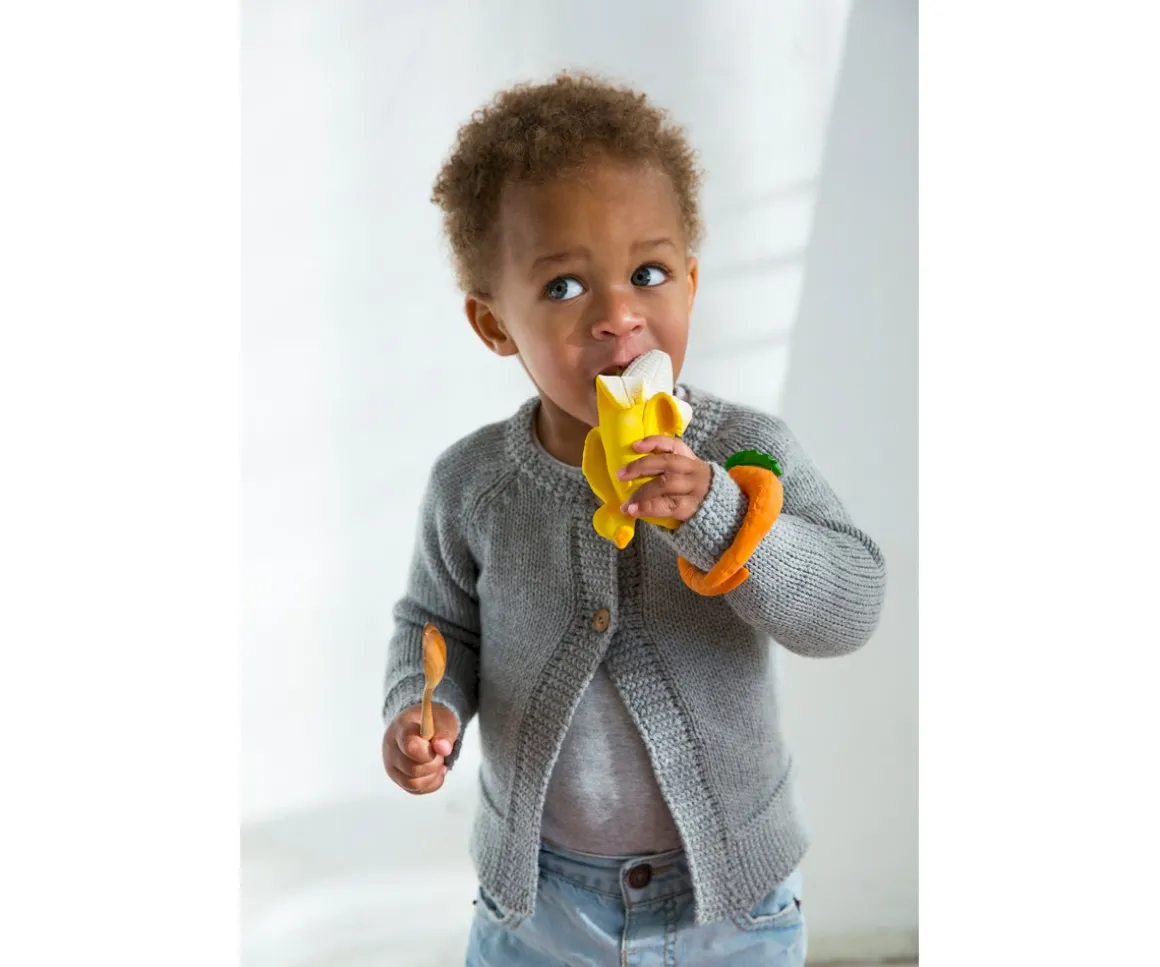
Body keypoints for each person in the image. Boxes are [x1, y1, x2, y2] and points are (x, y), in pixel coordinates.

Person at [381, 71, 886, 966]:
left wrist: (720, 514)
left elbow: (850, 606)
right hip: (540, 904)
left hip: (731, 903)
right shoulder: (474, 486)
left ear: (690, 282)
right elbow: (436, 624)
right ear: (494, 324)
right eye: (564, 286)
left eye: (647, 274)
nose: (619, 316)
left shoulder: (746, 453)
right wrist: (426, 712)